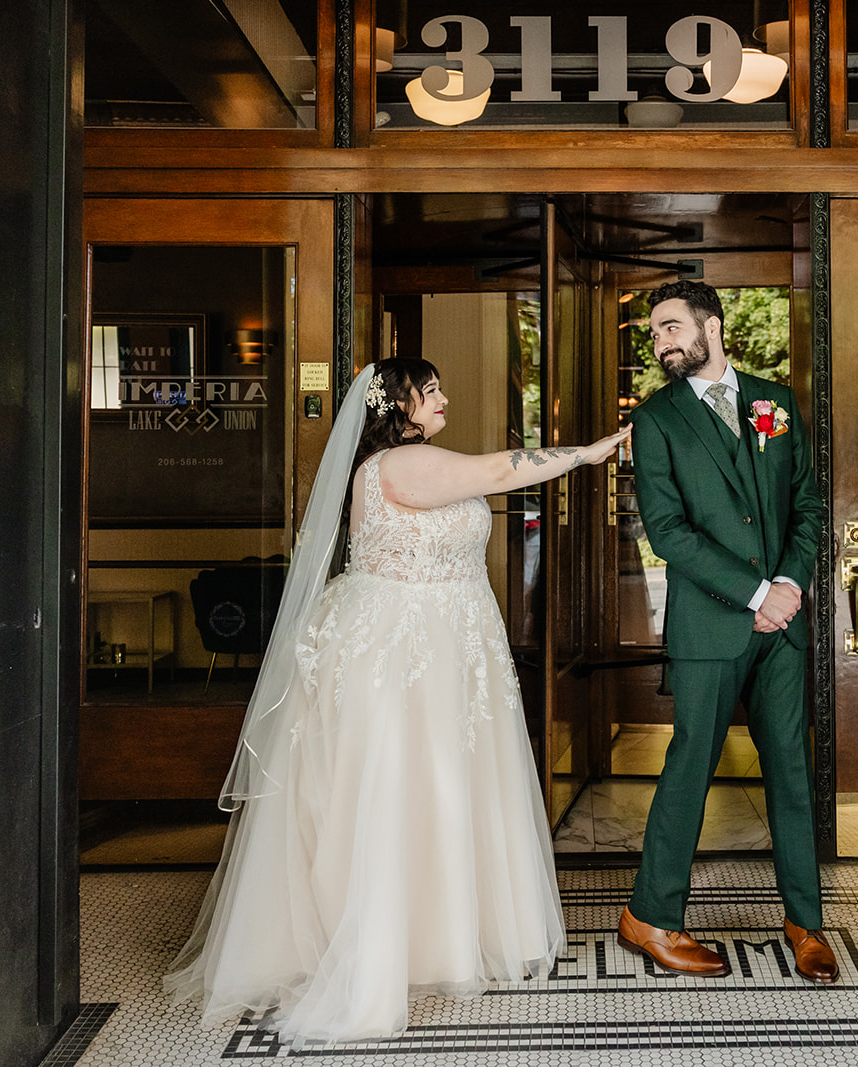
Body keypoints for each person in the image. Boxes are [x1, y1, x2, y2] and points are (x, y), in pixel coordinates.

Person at [166, 358, 631, 1045]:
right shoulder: (397, 466)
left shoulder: (401, 465)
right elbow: (503, 471)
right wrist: (589, 452)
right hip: (406, 653)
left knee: (433, 792)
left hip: (439, 644)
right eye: (431, 389)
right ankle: (387, 948)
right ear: (398, 405)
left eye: (442, 385)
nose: (444, 397)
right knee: (408, 791)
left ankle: (434, 939)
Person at [617, 281, 838, 983]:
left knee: (791, 773)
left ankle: (806, 922)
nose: (662, 341)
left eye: (672, 326)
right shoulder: (656, 420)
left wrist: (791, 586)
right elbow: (668, 532)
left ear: (713, 325)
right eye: (654, 333)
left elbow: (806, 500)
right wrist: (753, 593)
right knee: (689, 768)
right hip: (712, 623)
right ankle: (649, 915)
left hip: (783, 623)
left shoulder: (774, 400)